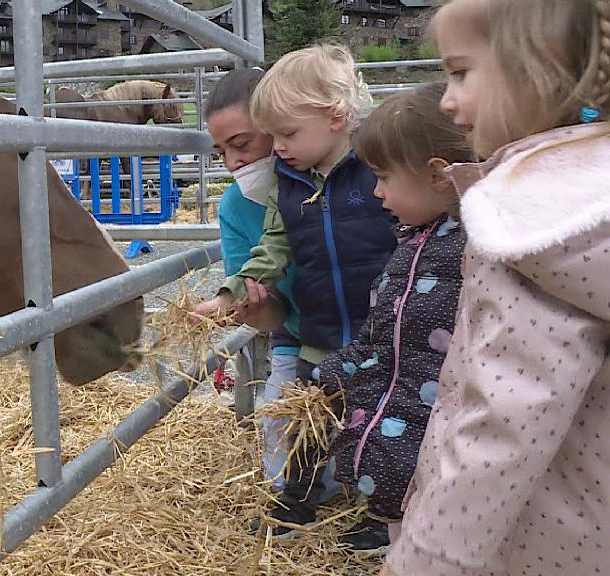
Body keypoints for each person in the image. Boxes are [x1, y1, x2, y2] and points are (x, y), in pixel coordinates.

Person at [382, 1, 610, 574]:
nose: (446, 99)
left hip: (535, 542)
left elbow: (502, 421)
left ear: (541, 67)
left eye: (461, 72)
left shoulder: (523, 223)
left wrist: (423, 558)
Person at [196, 44, 398, 537]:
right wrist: (235, 296)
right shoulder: (287, 188)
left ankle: (382, 513)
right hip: (313, 330)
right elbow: (268, 250)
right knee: (305, 422)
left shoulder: (378, 170)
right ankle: (297, 499)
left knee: (387, 421)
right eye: (220, 151)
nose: (232, 162)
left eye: (250, 141)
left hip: (380, 329)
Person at [312, 82, 471, 554]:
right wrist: (327, 374)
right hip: (399, 454)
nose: (376, 192)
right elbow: (380, 340)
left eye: (383, 177)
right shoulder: (410, 247)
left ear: (438, 176)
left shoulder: (479, 252)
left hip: (444, 460)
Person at [204, 67, 304, 491]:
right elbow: (269, 318)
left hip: (365, 331)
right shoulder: (234, 206)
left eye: (241, 144)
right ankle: (284, 500)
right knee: (278, 420)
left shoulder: (331, 182)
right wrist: (250, 308)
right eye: (220, 152)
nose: (233, 163)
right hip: (298, 337)